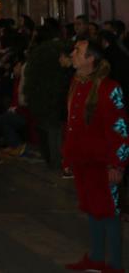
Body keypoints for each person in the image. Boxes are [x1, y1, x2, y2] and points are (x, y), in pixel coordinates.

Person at [63, 39, 129, 273]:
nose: (73, 54)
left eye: (78, 51)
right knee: (92, 209)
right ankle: (97, 257)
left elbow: (119, 129)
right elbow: (72, 124)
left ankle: (114, 265)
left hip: (103, 163)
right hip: (83, 161)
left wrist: (117, 165)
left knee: (109, 213)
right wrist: (69, 157)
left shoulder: (109, 88)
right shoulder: (77, 83)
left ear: (90, 59)